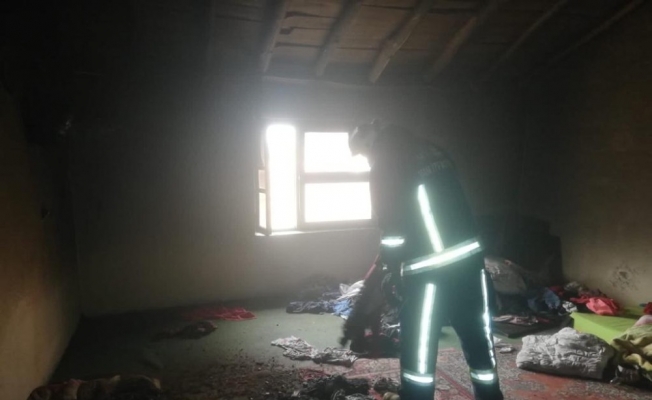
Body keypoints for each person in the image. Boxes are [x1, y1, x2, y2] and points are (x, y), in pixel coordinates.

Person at [347, 120, 504, 400]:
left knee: (419, 348)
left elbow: (392, 231)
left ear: (370, 143)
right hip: (470, 265)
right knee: (478, 338)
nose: (367, 159)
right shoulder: (433, 151)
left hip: (429, 272)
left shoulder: (386, 162)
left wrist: (390, 272)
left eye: (363, 153)